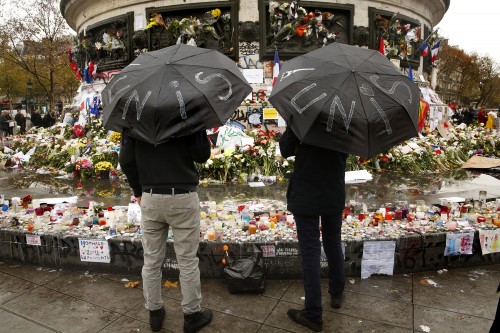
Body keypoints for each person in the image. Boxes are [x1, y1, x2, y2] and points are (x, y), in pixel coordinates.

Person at [119, 129, 213, 333]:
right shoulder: (186, 112)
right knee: (187, 260)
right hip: (183, 196)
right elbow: (202, 155)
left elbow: (126, 160)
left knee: (151, 260)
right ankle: (191, 315)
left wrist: (138, 191)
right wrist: (198, 129)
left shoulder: (135, 116)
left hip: (151, 196)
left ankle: (154, 312)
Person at [279, 127, 346, 332]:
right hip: (333, 191)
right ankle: (336, 293)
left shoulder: (303, 116)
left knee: (310, 252)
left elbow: (285, 149)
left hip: (306, 193)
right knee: (333, 242)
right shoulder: (346, 119)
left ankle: (314, 314)